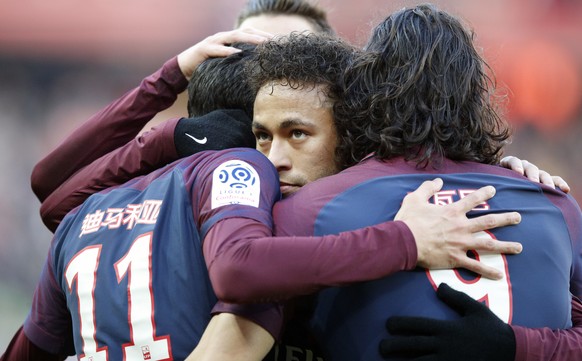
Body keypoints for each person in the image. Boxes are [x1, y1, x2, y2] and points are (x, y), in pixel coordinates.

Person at [17, 30, 580, 361]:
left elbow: (57, 203)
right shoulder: (264, 208)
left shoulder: (321, 210)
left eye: (297, 134)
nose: (274, 158)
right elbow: (241, 270)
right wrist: (405, 239)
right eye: (260, 135)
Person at [256, 4, 581, 360]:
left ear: (364, 95)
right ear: (476, 96)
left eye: (298, 133)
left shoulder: (307, 210)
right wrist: (519, 346)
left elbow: (230, 296)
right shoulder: (556, 205)